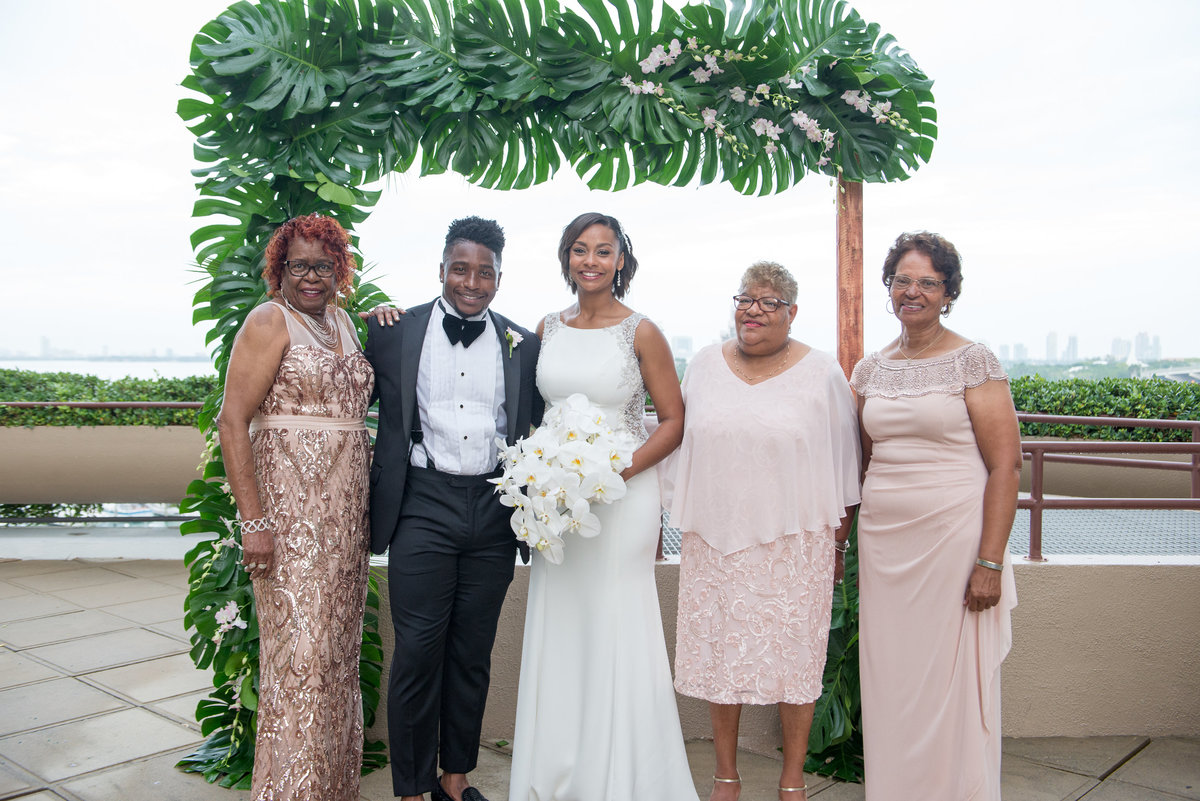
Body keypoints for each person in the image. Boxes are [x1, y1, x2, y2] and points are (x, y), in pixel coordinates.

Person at [507, 212, 698, 801]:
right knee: (561, 625)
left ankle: (620, 778)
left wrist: (619, 470)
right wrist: (541, 475)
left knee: (616, 622)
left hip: (621, 499)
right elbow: (534, 415)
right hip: (559, 504)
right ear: (566, 258)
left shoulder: (641, 332)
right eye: (580, 250)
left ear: (621, 260)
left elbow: (673, 422)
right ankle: (558, 770)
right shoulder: (546, 326)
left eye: (603, 251)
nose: (591, 261)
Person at [667, 261, 861, 801]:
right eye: (746, 298)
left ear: (792, 313)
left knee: (796, 661)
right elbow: (675, 438)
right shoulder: (703, 364)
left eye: (770, 301)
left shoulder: (822, 372)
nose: (754, 309)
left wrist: (838, 544)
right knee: (719, 657)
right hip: (716, 538)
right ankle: (725, 777)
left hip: (797, 545)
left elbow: (846, 466)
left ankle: (792, 780)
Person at [364, 216, 542, 801]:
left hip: (493, 508)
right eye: (460, 269)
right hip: (423, 503)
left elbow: (539, 424)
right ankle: (412, 790)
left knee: (472, 652)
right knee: (417, 651)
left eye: (484, 271)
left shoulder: (523, 342)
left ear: (498, 277)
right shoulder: (395, 331)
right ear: (441, 270)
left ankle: (455, 780)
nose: (472, 281)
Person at [850, 231, 1021, 801]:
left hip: (954, 541)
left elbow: (1007, 466)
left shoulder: (974, 360)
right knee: (891, 679)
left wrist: (990, 561)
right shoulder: (870, 369)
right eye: (903, 280)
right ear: (889, 288)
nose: (913, 291)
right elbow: (860, 457)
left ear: (948, 293)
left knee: (949, 681)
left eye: (928, 282)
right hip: (883, 545)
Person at [217, 213, 374, 801]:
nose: (312, 276)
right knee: (299, 664)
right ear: (278, 269)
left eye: (324, 265)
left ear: (340, 269)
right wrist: (255, 523)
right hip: (290, 525)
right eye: (299, 265)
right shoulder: (268, 321)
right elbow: (233, 422)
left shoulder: (345, 324)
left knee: (336, 662)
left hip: (345, 523)